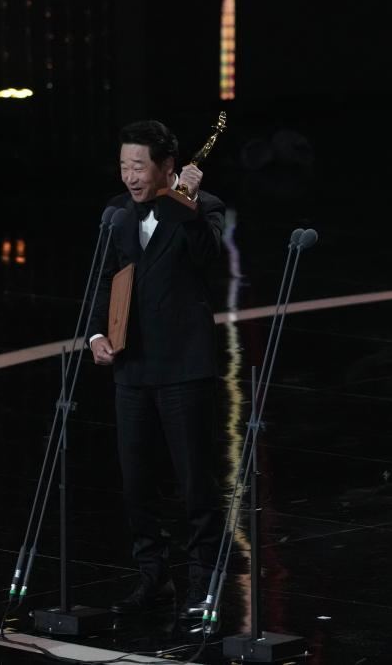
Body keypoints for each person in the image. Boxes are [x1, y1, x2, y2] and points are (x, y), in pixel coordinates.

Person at [88, 120, 224, 621]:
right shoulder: (117, 214)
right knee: (137, 481)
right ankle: (153, 576)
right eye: (124, 166)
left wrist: (186, 202)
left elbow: (208, 258)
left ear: (167, 167)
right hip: (132, 368)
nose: (130, 176)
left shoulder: (205, 207)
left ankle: (204, 583)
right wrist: (96, 334)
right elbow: (104, 278)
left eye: (139, 166)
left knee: (195, 481)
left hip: (184, 366)